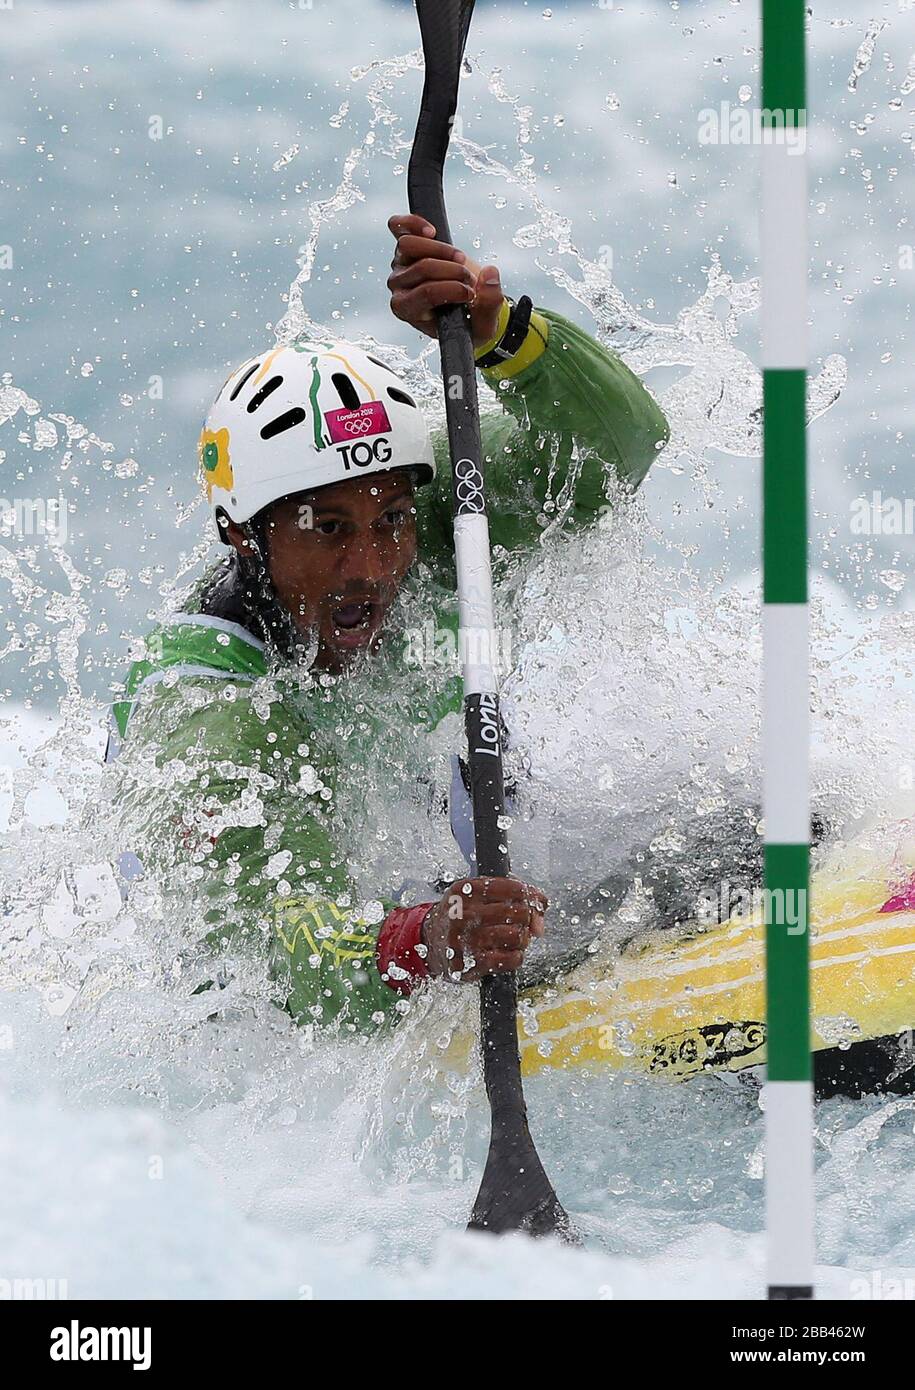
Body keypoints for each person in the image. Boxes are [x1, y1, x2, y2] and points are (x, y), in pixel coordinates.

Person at [110, 213, 670, 1032]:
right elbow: (287, 961)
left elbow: (620, 449)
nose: (372, 567)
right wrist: (434, 939)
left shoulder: (446, 523)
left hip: (429, 876)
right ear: (241, 534)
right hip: (256, 1015)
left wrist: (501, 333)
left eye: (392, 520)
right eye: (328, 529)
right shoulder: (214, 724)